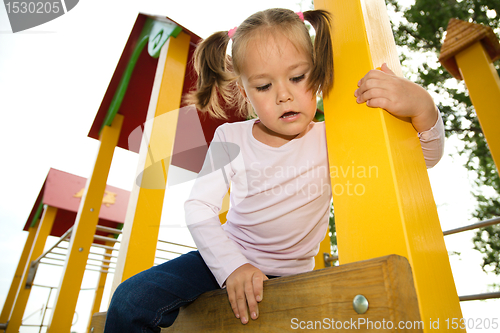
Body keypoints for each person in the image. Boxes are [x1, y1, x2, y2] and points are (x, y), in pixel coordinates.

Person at [104, 8, 444, 332]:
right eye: (264, 86)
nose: (284, 95)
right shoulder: (231, 137)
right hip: (225, 259)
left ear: (319, 70)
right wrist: (232, 267)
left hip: (296, 276)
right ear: (246, 90)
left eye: (297, 77)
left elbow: (420, 162)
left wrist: (423, 108)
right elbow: (199, 207)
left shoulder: (335, 138)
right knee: (130, 300)